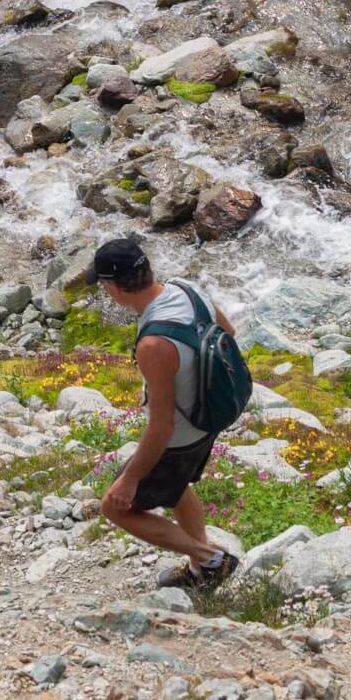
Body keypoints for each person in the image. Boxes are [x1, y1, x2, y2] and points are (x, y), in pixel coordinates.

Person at [89, 238, 240, 590]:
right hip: (210, 416)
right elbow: (228, 334)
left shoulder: (154, 345)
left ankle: (210, 559)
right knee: (176, 488)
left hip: (181, 436)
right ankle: (201, 570)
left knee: (115, 507)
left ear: (114, 289)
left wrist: (129, 479)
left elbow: (161, 426)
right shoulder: (187, 289)